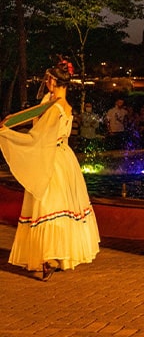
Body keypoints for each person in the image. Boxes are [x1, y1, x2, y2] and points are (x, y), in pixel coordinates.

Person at [0, 61, 101, 280]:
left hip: (52, 159)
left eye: (48, 80)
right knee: (62, 206)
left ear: (53, 81)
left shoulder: (55, 108)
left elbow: (39, 136)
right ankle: (58, 256)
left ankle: (49, 257)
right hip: (65, 159)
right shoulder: (61, 104)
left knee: (47, 205)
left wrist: (8, 135)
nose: (46, 83)